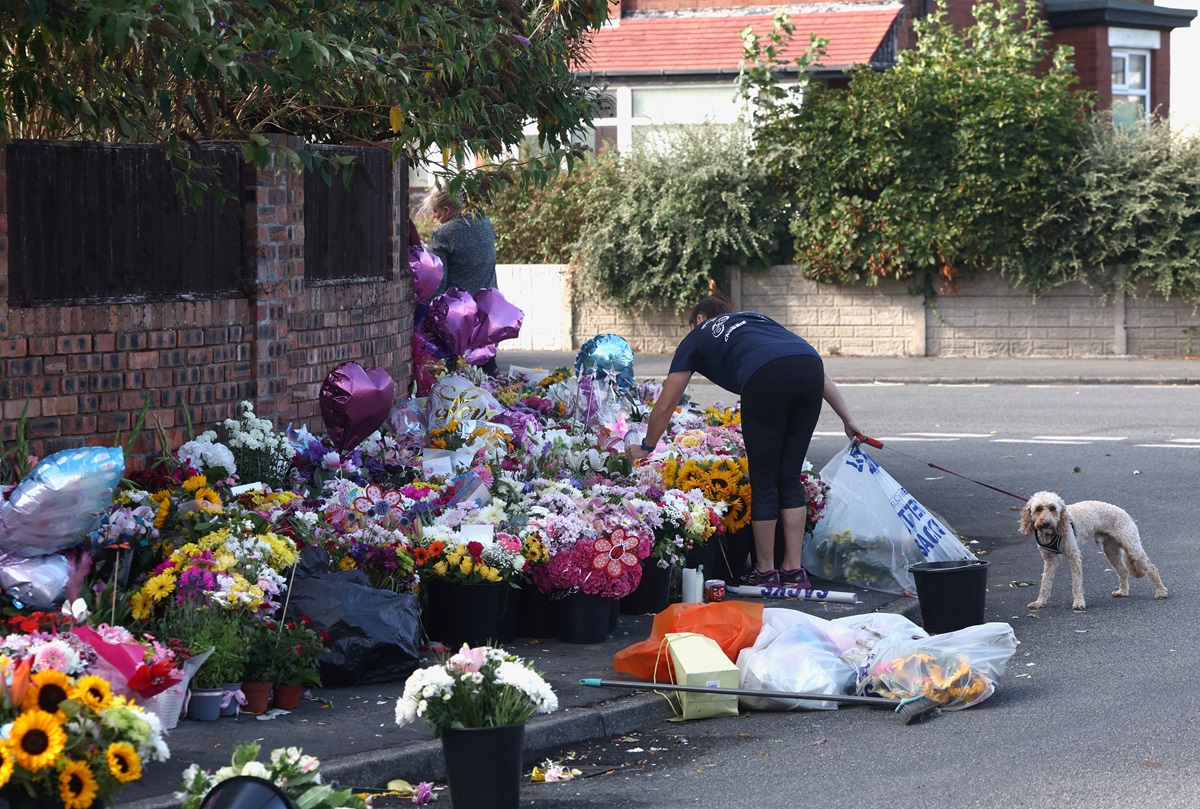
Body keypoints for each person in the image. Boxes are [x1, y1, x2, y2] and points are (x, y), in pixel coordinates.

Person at [626, 293, 863, 589]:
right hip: (810, 366)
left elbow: (664, 406)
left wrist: (646, 447)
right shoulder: (757, 318)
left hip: (765, 376)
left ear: (699, 320)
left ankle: (764, 571)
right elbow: (812, 369)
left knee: (764, 480)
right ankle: (793, 570)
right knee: (788, 477)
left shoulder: (698, 335)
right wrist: (848, 419)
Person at [424, 189, 500, 374]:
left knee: (456, 371)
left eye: (436, 211)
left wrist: (429, 310)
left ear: (447, 209)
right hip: (487, 307)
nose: (434, 216)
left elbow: (439, 278)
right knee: (486, 366)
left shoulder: (442, 234)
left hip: (459, 314)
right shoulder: (484, 222)